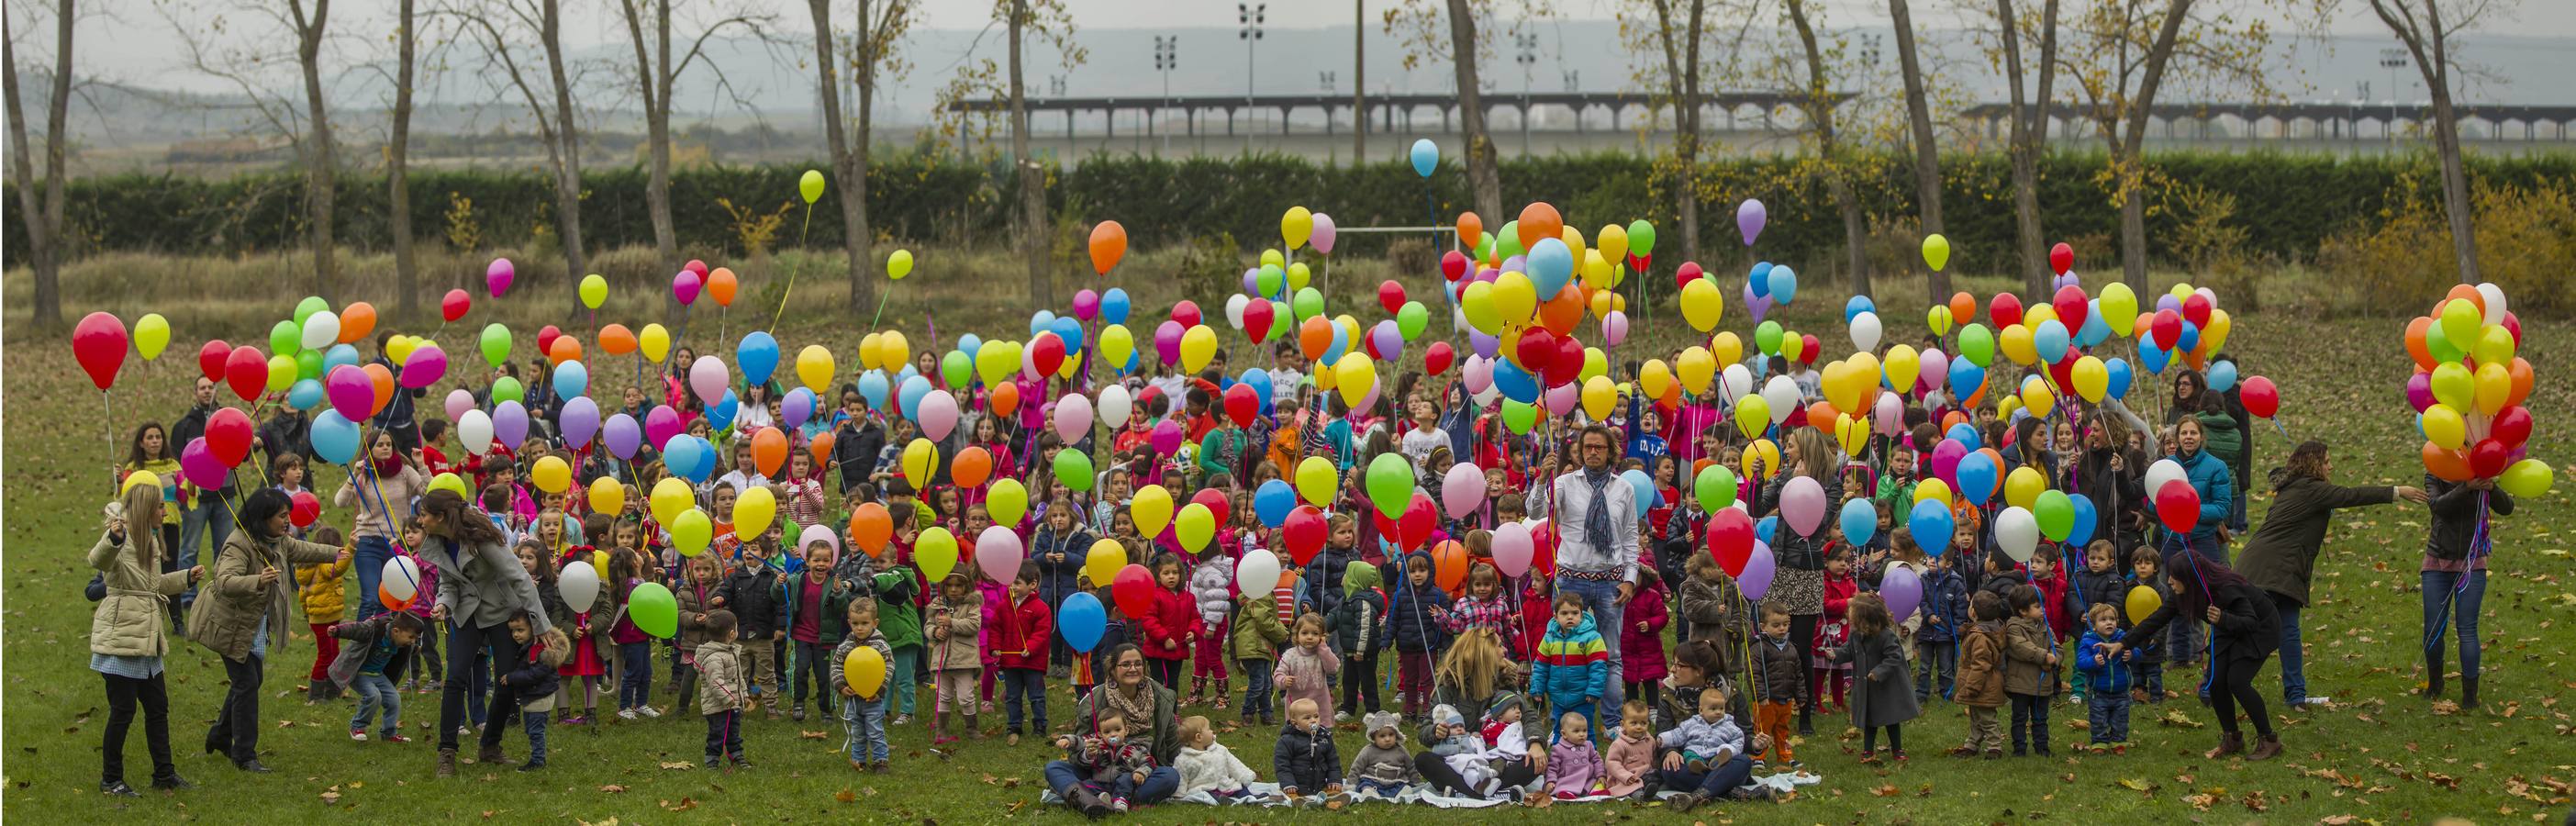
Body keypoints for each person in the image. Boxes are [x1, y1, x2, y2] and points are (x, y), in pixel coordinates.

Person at [2234, 441, 2425, 707]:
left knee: (2286, 632)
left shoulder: (2295, 487)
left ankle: (2295, 695)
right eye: (2326, 461)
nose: (2331, 466)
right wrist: (2396, 491)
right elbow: (2352, 496)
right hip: (2271, 571)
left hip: (2267, 568)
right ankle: (2220, 685)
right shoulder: (2311, 489)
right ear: (2314, 464)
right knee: (2258, 632)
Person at [185, 487, 351, 772]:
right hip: (226, 623)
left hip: (249, 623)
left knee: (250, 680)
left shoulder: (277, 540)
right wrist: (257, 581)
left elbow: (302, 549)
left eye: (288, 515)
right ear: (264, 518)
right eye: (282, 516)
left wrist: (339, 552)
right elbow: (224, 580)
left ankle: (220, 735)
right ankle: (244, 755)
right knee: (247, 683)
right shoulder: (239, 543)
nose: (288, 521)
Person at [411, 487, 552, 777]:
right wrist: (442, 604)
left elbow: (520, 578)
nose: (420, 520)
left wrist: (540, 625)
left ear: (440, 516)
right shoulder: (437, 541)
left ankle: (490, 746)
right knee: (455, 680)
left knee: (506, 681)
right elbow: (449, 583)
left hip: (500, 611)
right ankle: (446, 753)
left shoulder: (481, 538)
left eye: (424, 515)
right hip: (465, 614)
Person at [2100, 551, 2283, 760]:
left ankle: (2270, 740)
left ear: (2189, 578)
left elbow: (2250, 621)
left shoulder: (2225, 588)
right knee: (2215, 681)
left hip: (2258, 629)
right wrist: (2123, 643)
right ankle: (2232, 738)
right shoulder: (2182, 594)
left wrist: (2223, 618)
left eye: (2174, 577)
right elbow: (2156, 619)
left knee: (2237, 681)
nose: (2169, 581)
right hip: (2226, 626)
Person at [90, 482, 206, 796]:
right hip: (121, 638)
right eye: (159, 507)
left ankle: (164, 775)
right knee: (123, 710)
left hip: (148, 637)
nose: (164, 511)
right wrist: (112, 540)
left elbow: (151, 587)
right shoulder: (121, 538)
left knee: (158, 707)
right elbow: (97, 561)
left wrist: (184, 578)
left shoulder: (150, 541)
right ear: (145, 509)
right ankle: (111, 779)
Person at [1545, 424, 1643, 729]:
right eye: (1588, 447)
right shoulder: (1564, 483)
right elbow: (1539, 511)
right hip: (1570, 580)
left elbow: (1630, 538)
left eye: (1599, 447)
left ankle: (1612, 723)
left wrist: (1630, 578)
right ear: (1580, 450)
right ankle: (1563, 721)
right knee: (1562, 651)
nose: (1593, 452)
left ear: (1610, 451)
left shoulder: (1623, 489)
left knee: (1610, 654)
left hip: (1610, 582)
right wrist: (1541, 481)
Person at [1754, 427, 1840, 734]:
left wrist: (1802, 484)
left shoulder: (1831, 481)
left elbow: (1820, 522)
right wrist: (1758, 480)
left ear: (1804, 447)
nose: (1785, 451)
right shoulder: (1784, 475)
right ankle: (1772, 703)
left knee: (1801, 645)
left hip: (1807, 570)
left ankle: (1804, 712)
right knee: (1773, 640)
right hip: (1779, 568)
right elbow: (1756, 507)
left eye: (1790, 446)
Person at [1045, 644, 1184, 811]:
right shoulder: (1095, 700)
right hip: (1097, 773)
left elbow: (1172, 743)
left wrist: (1179, 769)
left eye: (1138, 664)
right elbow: (1076, 752)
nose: (1133, 669)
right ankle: (1106, 800)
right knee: (1054, 768)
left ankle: (1099, 799)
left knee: (1170, 776)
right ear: (1112, 670)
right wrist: (1087, 754)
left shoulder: (1160, 697)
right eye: (1125, 664)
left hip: (1138, 773)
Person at [2420, 470, 2513, 710]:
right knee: (2432, 630)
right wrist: (2467, 487)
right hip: (2437, 561)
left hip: (2473, 563)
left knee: (2467, 630)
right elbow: (2438, 506)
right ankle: (2435, 683)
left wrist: (2492, 488)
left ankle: (2470, 695)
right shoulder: (2436, 473)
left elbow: (2508, 507)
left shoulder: (2484, 475)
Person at [172, 376, 237, 613]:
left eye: (211, 387)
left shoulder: (227, 421)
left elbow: (239, 454)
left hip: (224, 496)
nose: (207, 391)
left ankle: (223, 590)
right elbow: (177, 462)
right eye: (202, 388)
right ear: (195, 392)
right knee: (189, 548)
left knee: (224, 548)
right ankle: (188, 595)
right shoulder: (184, 426)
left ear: (216, 390)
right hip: (196, 499)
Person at [1832, 592, 1920, 762]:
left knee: (1891, 719)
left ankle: (1897, 749)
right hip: (1867, 688)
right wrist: (1834, 654)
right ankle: (1867, 750)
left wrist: (1879, 672)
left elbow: (1894, 657)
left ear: (1864, 618)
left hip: (1886, 686)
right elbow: (1848, 651)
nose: (1848, 615)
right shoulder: (1855, 635)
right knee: (1869, 720)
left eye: (1852, 612)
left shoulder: (1886, 636)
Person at [330, 611, 426, 744]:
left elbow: (408, 647)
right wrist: (338, 631)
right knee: (373, 696)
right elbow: (357, 629)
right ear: (396, 631)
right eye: (411, 637)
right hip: (358, 673)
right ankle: (357, 727)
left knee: (394, 699)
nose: (412, 641)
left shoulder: (402, 643)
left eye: (415, 639)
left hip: (377, 675)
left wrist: (415, 649)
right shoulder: (375, 629)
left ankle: (389, 733)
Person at [828, 598, 895, 772]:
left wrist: (880, 690)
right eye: (855, 623)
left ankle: (881, 760)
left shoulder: (880, 644)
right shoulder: (846, 645)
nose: (860, 628)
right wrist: (841, 686)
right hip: (852, 699)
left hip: (873, 699)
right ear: (849, 623)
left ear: (875, 622)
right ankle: (859, 760)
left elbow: (888, 666)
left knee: (875, 731)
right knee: (857, 732)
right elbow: (836, 665)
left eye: (865, 623)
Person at [2161, 418, 2234, 561]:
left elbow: (2222, 507)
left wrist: (2190, 511)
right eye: (2184, 433)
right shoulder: (2165, 465)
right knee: (2173, 582)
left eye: (2193, 433)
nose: (2188, 436)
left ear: (2201, 437)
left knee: (2206, 583)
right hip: (2173, 540)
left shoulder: (2217, 466)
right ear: (2178, 438)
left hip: (2202, 540)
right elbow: (2154, 504)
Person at [2001, 584, 2060, 756]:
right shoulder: (2013, 627)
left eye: (2043, 604)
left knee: (2041, 718)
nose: (2043, 609)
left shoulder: (2044, 626)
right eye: (2037, 606)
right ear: (2023, 611)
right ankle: (2019, 748)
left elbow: (2057, 647)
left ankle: (2042, 747)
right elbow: (2020, 647)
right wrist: (2044, 656)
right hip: (2021, 683)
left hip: (2043, 683)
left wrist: (2054, 658)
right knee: (2019, 718)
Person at [1949, 591, 2009, 759]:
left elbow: (1980, 664)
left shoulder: (1979, 637)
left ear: (1973, 612)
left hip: (1983, 684)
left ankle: (1994, 746)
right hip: (1983, 683)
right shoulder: (1992, 627)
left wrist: (1972, 686)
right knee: (1976, 716)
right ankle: (1972, 744)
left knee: (1987, 717)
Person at [697, 609, 752, 768]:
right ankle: (712, 759)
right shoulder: (714, 657)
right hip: (718, 705)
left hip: (731, 703)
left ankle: (736, 754)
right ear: (732, 633)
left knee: (733, 732)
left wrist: (744, 693)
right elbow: (716, 683)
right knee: (717, 733)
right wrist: (728, 698)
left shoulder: (729, 651)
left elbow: (738, 676)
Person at [2075, 604, 2133, 752]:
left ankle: (2118, 741)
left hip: (2121, 690)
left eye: (2112, 619)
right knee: (2098, 719)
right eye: (2103, 620)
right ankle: (2099, 741)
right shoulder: (2088, 641)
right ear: (2093, 626)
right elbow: (2081, 663)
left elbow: (2137, 651)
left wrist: (2131, 655)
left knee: (2121, 719)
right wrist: (2094, 661)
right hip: (2099, 691)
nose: (2109, 622)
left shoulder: (2122, 638)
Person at [1175, 716, 1257, 799]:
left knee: (1240, 787)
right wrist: (1179, 794)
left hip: (1225, 785)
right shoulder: (1183, 760)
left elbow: (1233, 764)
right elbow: (1181, 779)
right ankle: (1222, 800)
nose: (1212, 731)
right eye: (1208, 729)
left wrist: (1246, 775)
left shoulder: (1220, 750)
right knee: (1204, 796)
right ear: (1199, 737)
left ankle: (1250, 797)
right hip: (1204, 789)